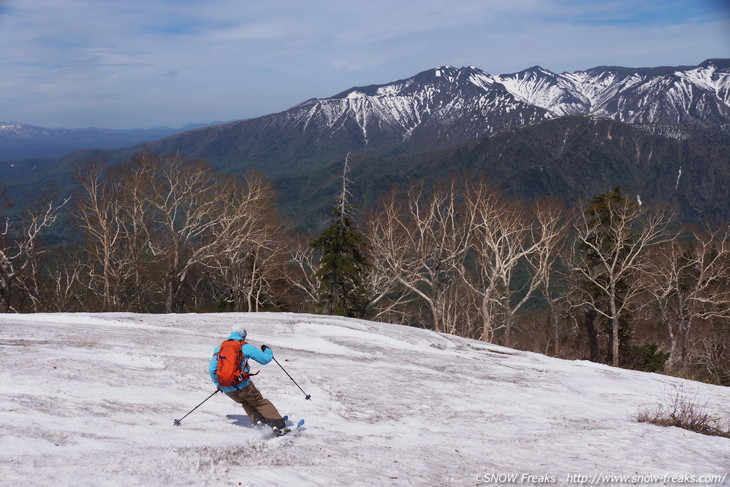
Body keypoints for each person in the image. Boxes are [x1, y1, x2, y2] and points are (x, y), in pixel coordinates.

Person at [208, 324, 286, 432]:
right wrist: (267, 350)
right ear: (244, 335)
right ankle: (278, 425)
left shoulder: (219, 348)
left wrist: (219, 384)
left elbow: (212, 370)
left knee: (245, 402)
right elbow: (265, 359)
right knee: (259, 402)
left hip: (226, 387)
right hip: (243, 385)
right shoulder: (245, 346)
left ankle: (260, 423)